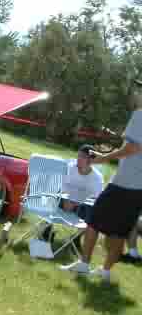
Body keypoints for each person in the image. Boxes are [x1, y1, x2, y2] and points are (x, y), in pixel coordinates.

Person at [60, 79, 142, 282]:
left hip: (124, 183)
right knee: (120, 231)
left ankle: (84, 265)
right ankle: (105, 272)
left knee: (93, 221)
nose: (136, 93)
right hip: (138, 188)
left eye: (139, 89)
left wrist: (103, 157)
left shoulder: (140, 115)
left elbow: (132, 148)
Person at [40, 145, 104, 243]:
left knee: (95, 213)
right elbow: (56, 185)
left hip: (81, 206)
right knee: (51, 197)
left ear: (91, 160)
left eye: (83, 157)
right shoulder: (69, 167)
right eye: (78, 155)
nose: (79, 159)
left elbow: (96, 199)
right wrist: (66, 199)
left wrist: (76, 203)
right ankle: (47, 229)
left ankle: (75, 238)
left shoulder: (97, 178)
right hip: (61, 199)